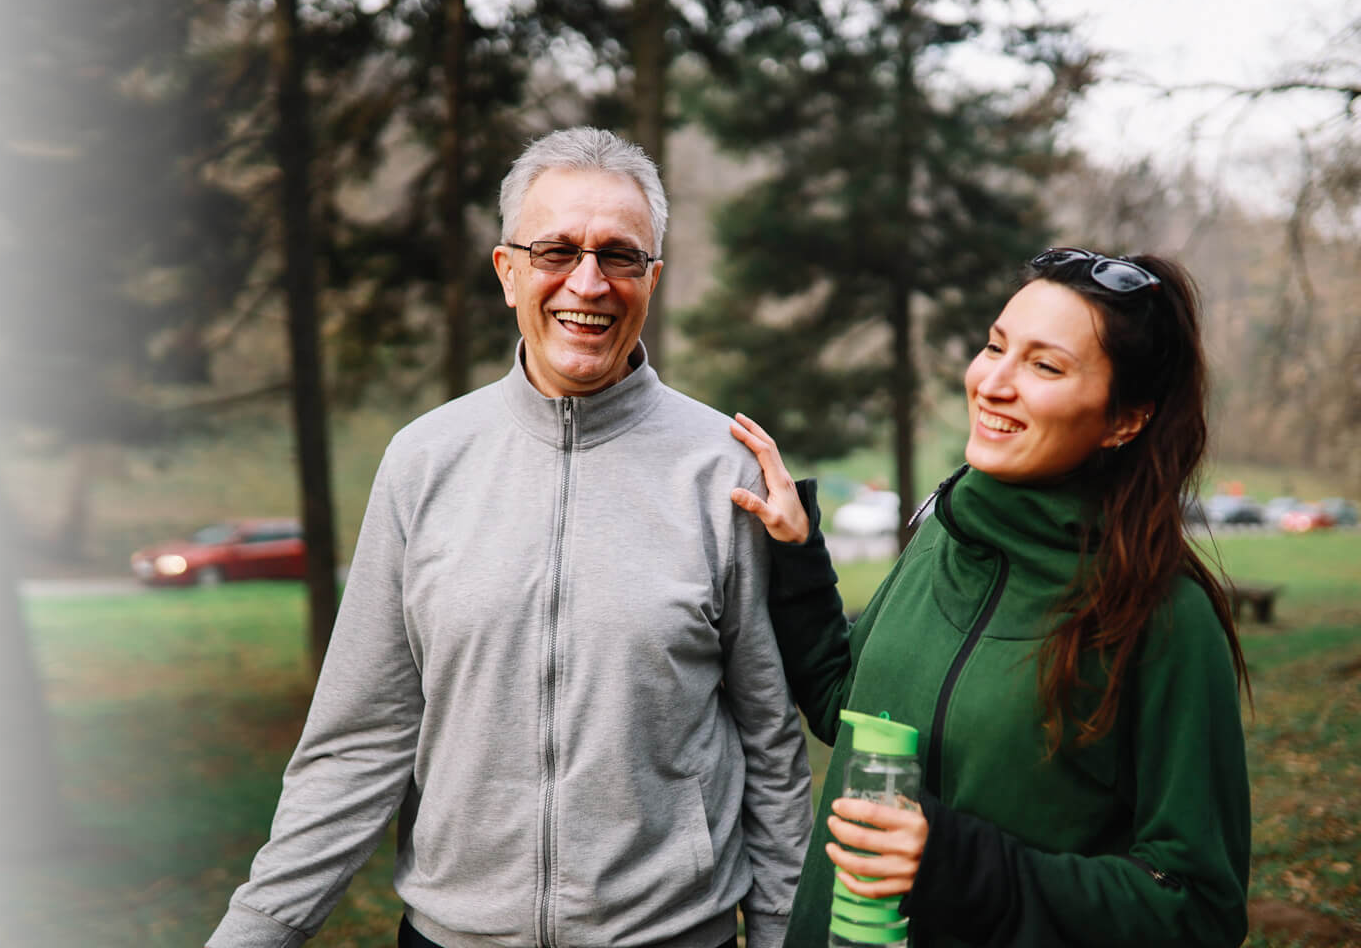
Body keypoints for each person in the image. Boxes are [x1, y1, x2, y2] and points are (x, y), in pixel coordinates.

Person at [207, 127, 814, 948]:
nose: (588, 283)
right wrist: (254, 933)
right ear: (509, 272)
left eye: (621, 256)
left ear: (652, 280)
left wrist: (782, 933)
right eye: (557, 250)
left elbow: (771, 747)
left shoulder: (722, 470)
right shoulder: (424, 460)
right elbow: (358, 742)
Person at [725, 248, 1252, 947]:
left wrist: (959, 867)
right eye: (995, 347)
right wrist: (796, 556)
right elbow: (846, 708)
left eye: (1045, 366)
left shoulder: (1162, 620)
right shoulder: (947, 535)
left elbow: (1198, 908)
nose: (993, 382)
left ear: (1125, 420)